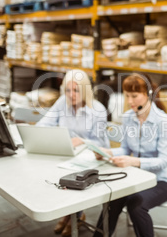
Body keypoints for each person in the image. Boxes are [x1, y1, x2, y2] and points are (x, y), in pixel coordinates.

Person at [93, 73, 167, 237]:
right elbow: (124, 149)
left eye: (134, 96)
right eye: (127, 96)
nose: (129, 101)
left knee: (136, 205)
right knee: (112, 200)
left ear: (148, 94)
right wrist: (108, 153)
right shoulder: (129, 117)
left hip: (160, 181)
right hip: (134, 177)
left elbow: (163, 161)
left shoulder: (162, 121)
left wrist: (134, 161)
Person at [36, 69, 110, 237]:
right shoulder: (63, 102)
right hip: (66, 154)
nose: (71, 95)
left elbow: (102, 144)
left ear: (85, 90)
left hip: (89, 158)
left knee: (72, 178)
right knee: (49, 173)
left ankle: (73, 216)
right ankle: (70, 215)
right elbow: (43, 124)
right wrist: (53, 136)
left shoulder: (98, 110)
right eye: (68, 90)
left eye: (76, 90)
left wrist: (84, 141)